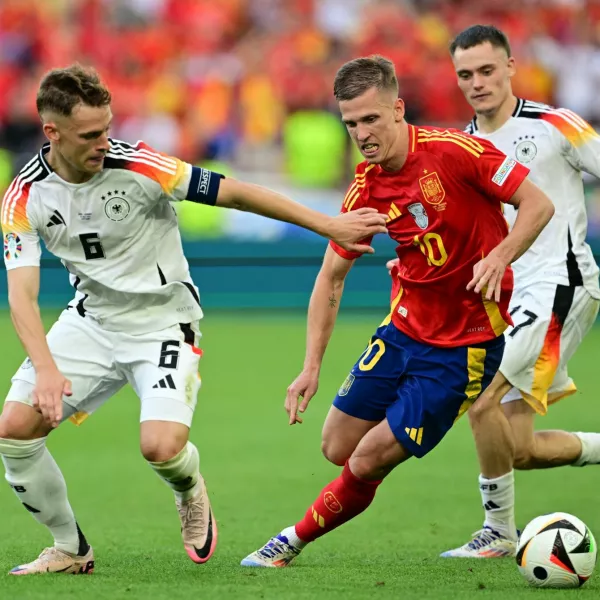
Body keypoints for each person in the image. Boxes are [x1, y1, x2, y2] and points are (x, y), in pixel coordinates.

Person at [0, 64, 388, 576]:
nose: (104, 142)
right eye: (90, 135)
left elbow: (237, 193)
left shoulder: (142, 166)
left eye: (108, 128)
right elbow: (22, 297)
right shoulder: (24, 196)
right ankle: (70, 547)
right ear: (52, 133)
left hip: (164, 322)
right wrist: (45, 369)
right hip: (90, 322)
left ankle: (189, 487)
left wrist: (327, 224)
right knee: (13, 429)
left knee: (160, 447)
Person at [240, 54, 555, 568]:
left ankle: (289, 541)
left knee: (366, 459)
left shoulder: (456, 153)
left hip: (464, 347)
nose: (361, 134)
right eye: (350, 123)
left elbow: (538, 204)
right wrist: (310, 367)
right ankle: (377, 465)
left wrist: (499, 256)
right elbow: (330, 278)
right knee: (336, 445)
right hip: (403, 331)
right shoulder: (366, 188)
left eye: (371, 119)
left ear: (398, 109)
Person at [427, 24, 600, 558]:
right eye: (465, 75)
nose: (477, 82)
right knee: (518, 448)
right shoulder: (462, 145)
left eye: (486, 70)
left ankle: (498, 533)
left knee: (483, 404)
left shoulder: (556, 124)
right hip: (511, 299)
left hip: (560, 288)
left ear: (509, 68)